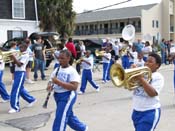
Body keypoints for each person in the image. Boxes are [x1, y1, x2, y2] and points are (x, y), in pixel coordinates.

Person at [47, 50, 88, 131]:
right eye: (59, 58)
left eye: (62, 58)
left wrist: (58, 82)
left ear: (68, 58)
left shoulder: (72, 71)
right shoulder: (57, 69)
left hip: (67, 96)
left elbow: (74, 87)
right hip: (57, 95)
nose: (60, 60)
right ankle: (82, 128)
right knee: (68, 115)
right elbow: (51, 80)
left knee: (60, 116)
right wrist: (49, 86)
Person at [131, 53, 164, 131]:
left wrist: (140, 78)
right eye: (146, 61)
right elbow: (132, 89)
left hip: (149, 112)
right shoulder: (143, 75)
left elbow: (152, 93)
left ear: (157, 65)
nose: (146, 63)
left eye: (150, 61)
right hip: (136, 111)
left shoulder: (158, 77)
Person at [8, 44, 36, 113]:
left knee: (15, 90)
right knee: (20, 89)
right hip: (17, 72)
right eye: (19, 47)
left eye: (21, 47)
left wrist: (13, 57)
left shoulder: (25, 55)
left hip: (21, 73)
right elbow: (14, 63)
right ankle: (31, 99)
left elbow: (20, 64)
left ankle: (15, 107)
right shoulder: (19, 54)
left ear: (25, 48)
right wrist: (11, 58)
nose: (19, 48)